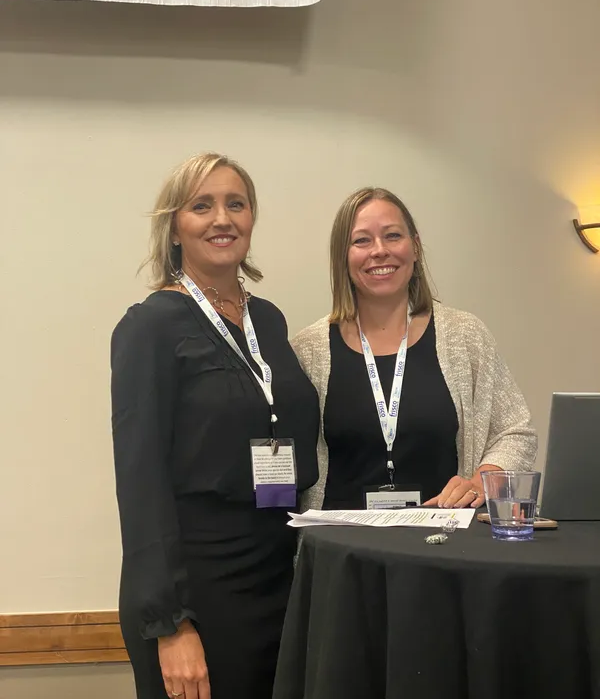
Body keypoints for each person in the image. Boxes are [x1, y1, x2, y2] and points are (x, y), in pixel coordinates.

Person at [111, 153, 319, 699]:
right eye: (201, 206)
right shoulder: (151, 326)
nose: (222, 219)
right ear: (174, 227)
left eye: (236, 204)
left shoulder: (268, 319)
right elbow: (140, 481)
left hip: (277, 572)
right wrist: (171, 624)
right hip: (197, 585)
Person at [292, 187, 536, 513]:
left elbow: (515, 432)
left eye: (392, 236)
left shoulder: (465, 336)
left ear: (416, 246)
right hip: (339, 540)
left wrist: (481, 481)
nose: (380, 251)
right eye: (362, 240)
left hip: (444, 537)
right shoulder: (308, 350)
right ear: (343, 256)